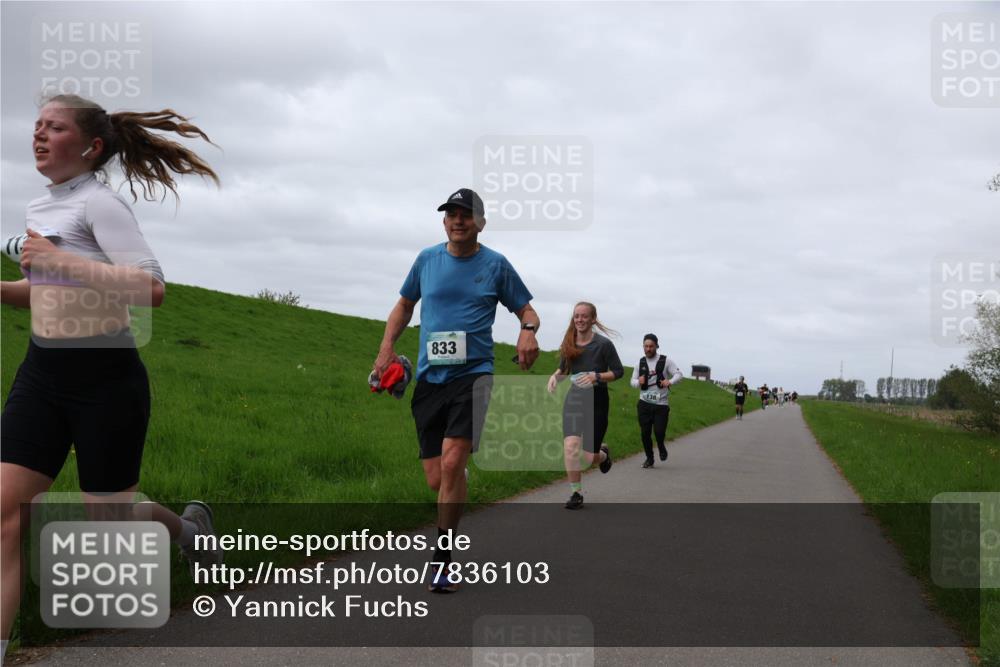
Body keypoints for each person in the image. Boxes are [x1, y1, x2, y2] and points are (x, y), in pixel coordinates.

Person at [0, 94, 223, 648]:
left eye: (54, 127)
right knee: (4, 514)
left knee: (112, 517)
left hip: (105, 379)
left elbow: (151, 288)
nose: (39, 135)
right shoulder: (41, 207)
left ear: (92, 146)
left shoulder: (102, 205)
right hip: (41, 376)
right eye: (37, 126)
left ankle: (190, 534)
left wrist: (59, 261)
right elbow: (47, 291)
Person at [372, 188, 539, 592]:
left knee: (449, 466)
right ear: (444, 221)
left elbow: (526, 310)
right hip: (430, 378)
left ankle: (442, 562)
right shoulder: (427, 260)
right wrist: (386, 348)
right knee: (438, 478)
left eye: (465, 214)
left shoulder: (496, 265)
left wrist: (527, 333)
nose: (457, 220)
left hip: (474, 375)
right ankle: (456, 472)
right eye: (451, 214)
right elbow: (405, 305)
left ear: (480, 221)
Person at [547, 302, 623, 508]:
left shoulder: (603, 345)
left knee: (588, 458)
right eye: (576, 316)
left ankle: (604, 455)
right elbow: (564, 369)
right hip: (575, 399)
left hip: (597, 402)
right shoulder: (569, 342)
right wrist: (555, 377)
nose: (579, 320)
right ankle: (576, 494)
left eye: (584, 316)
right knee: (571, 447)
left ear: (593, 319)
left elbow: (618, 372)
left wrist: (595, 376)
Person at [629, 334, 682, 467]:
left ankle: (661, 445)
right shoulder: (639, 363)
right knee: (645, 433)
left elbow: (679, 374)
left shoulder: (666, 361)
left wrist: (669, 381)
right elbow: (632, 381)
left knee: (659, 432)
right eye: (646, 346)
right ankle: (649, 459)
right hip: (644, 404)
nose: (648, 349)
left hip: (661, 405)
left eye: (651, 346)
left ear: (657, 346)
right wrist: (638, 382)